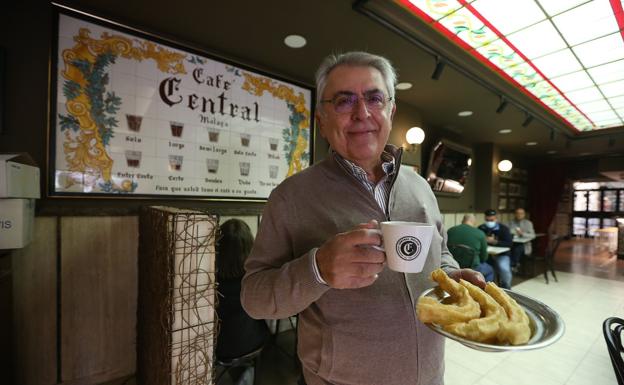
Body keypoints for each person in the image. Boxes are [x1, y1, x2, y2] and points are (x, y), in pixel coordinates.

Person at [241, 51, 485, 385]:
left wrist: (454, 276)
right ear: (322, 119)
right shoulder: (290, 197)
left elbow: (438, 254)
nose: (362, 113)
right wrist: (318, 269)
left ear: (390, 110)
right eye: (344, 101)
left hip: (430, 375)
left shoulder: (421, 187)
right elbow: (254, 298)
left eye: (374, 98)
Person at [215, 219, 270, 384]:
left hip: (218, 348)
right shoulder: (256, 280)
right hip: (253, 343)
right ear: (250, 247)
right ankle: (245, 373)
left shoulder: (208, 282)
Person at [447, 214, 495, 282]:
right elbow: (484, 258)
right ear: (474, 222)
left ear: (462, 220)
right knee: (490, 270)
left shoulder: (450, 231)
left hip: (453, 266)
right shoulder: (480, 233)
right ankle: (484, 289)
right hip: (473, 267)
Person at [478, 209, 513, 289]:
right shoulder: (481, 228)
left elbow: (509, 243)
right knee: (481, 269)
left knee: (504, 268)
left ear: (496, 219)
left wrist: (495, 242)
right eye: (487, 220)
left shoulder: (504, 229)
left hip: (502, 254)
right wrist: (484, 240)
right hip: (486, 255)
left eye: (491, 220)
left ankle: (506, 288)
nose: (489, 222)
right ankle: (486, 288)